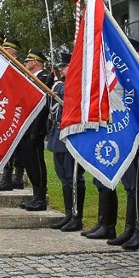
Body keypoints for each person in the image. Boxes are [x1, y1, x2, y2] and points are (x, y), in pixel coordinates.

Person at [108, 38, 139, 250]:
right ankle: (129, 229)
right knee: (129, 186)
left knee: (138, 186)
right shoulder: (125, 78)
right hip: (126, 137)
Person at [47, 51, 85, 232]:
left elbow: (68, 94)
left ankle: (77, 216)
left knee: (74, 178)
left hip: (72, 135)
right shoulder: (60, 85)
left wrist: (56, 86)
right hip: (58, 135)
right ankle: (69, 213)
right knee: (64, 179)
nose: (61, 68)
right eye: (60, 66)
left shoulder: (75, 83)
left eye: (65, 65)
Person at [17, 49, 51, 211]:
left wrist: (36, 130)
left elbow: (43, 107)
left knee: (37, 162)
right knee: (29, 162)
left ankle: (41, 197)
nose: (25, 63)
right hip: (26, 127)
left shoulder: (45, 79)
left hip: (36, 128)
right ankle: (35, 194)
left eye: (28, 61)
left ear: (36, 62)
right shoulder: (30, 79)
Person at [0, 38, 25, 190]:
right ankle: (12, 178)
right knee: (11, 146)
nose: (2, 49)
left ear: (11, 51)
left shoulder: (15, 66)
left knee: (13, 146)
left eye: (5, 48)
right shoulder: (7, 65)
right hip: (7, 110)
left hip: (13, 111)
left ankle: (13, 178)